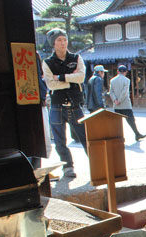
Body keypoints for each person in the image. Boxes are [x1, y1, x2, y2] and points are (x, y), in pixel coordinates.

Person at [42, 28, 87, 178]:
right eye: (59, 40)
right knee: (60, 141)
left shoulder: (75, 58)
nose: (63, 43)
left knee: (85, 136)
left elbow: (81, 77)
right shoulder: (48, 62)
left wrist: (60, 77)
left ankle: (97, 163)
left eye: (64, 39)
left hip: (75, 105)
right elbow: (50, 85)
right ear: (53, 44)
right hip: (57, 106)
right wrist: (70, 79)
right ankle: (68, 166)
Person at [110, 65, 146, 141]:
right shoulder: (126, 80)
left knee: (117, 122)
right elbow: (125, 92)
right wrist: (120, 100)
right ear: (126, 72)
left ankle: (118, 136)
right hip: (125, 104)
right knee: (131, 120)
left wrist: (115, 100)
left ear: (117, 71)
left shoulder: (112, 80)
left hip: (116, 105)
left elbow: (111, 92)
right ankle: (137, 134)